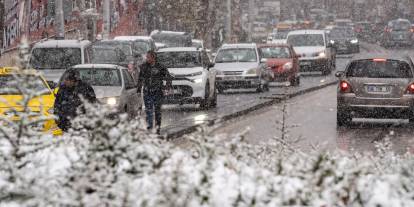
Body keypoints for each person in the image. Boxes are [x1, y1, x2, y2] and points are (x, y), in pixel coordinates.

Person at [138, 50, 173, 134]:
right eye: (146, 57)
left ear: (153, 58)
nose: (147, 59)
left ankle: (157, 127)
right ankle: (150, 126)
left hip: (157, 91)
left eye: (148, 57)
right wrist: (139, 89)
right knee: (148, 110)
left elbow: (168, 77)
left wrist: (167, 87)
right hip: (147, 91)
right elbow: (140, 78)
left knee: (157, 111)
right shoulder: (144, 67)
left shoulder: (160, 67)